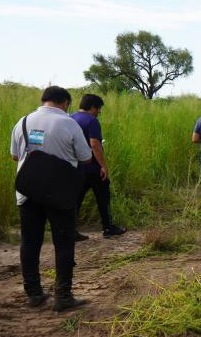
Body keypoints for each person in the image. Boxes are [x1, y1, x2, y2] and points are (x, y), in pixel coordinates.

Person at [10, 86, 92, 311]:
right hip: (60, 194)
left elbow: (15, 155)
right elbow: (85, 158)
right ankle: (63, 297)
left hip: (28, 192)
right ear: (64, 102)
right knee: (63, 243)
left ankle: (34, 293)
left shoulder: (23, 121)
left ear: (44, 100)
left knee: (30, 242)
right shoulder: (69, 124)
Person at [71, 94, 127, 240]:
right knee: (103, 198)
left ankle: (71, 230)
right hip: (93, 168)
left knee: (76, 199)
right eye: (99, 108)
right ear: (93, 107)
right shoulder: (92, 121)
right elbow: (95, 144)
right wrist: (103, 166)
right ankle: (108, 228)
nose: (99, 112)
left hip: (76, 168)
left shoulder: (70, 118)